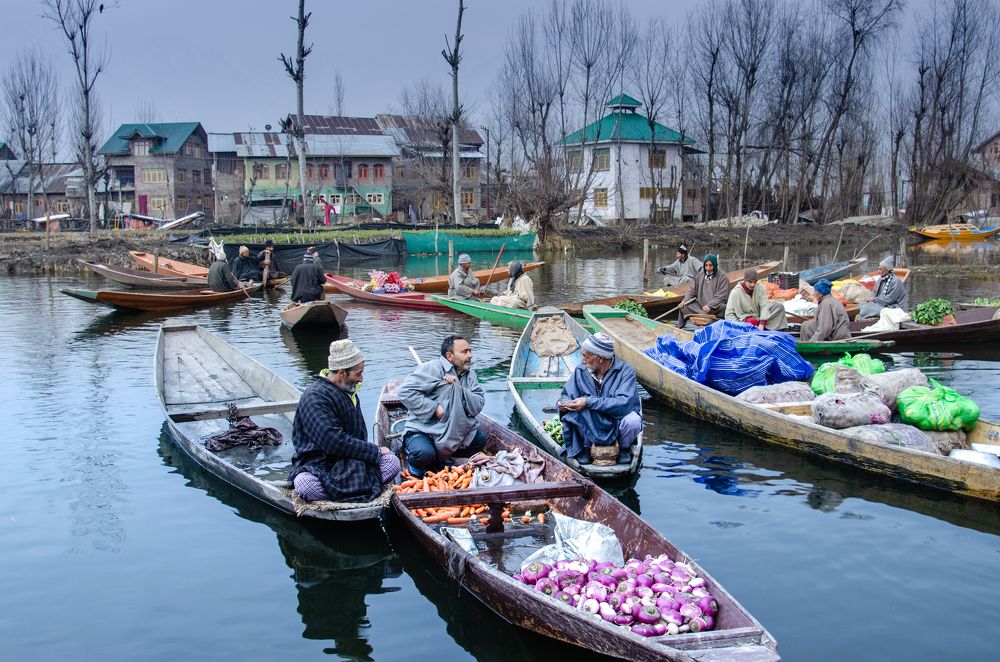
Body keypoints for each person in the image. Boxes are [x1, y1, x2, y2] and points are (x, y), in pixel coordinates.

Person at [288, 340, 401, 503]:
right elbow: (333, 441)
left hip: (350, 461)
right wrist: (375, 451)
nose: (361, 379)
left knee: (392, 463)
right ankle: (348, 494)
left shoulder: (348, 391)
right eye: (358, 374)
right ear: (341, 373)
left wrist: (373, 453)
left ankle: (341, 494)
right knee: (305, 485)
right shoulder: (315, 397)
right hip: (322, 464)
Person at [397, 335, 486, 477]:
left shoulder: (470, 375)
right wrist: (434, 408)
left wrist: (460, 389)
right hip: (426, 431)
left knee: (479, 439)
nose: (470, 355)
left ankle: (443, 459)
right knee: (424, 453)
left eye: (470, 351)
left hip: (454, 431)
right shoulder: (432, 368)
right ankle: (416, 462)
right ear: (449, 356)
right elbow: (404, 391)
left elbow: (478, 404)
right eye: (464, 352)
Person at [559, 332, 643, 466]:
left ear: (600, 358)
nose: (583, 361)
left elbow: (625, 404)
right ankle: (585, 447)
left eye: (586, 356)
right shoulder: (580, 371)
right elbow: (566, 395)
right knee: (575, 413)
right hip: (590, 424)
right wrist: (563, 403)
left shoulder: (626, 371)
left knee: (633, 420)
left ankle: (623, 448)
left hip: (616, 421)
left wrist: (588, 401)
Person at [676, 253, 730, 329]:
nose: (708, 268)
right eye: (706, 265)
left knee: (724, 308)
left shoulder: (723, 277)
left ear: (715, 265)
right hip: (701, 307)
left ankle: (704, 314)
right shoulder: (700, 275)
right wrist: (684, 301)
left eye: (711, 265)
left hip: (715, 308)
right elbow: (692, 291)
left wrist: (710, 305)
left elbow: (722, 296)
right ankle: (679, 328)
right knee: (684, 307)